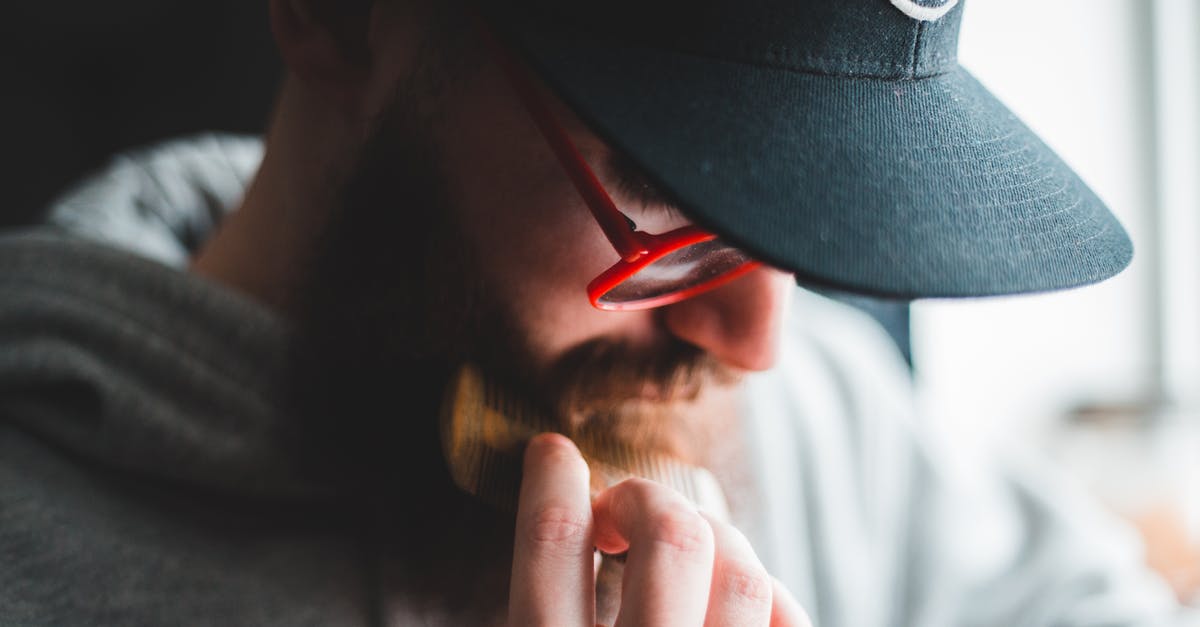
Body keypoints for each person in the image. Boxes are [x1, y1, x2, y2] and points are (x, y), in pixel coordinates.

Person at [1, 0, 1194, 625]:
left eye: (807, 215)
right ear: (339, 13)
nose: (759, 342)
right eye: (666, 195)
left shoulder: (825, 413)